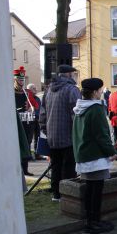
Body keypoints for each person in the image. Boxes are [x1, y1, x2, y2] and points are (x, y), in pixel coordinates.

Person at [72, 78, 116, 234]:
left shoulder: (80, 108)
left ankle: (93, 220)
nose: (101, 92)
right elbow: (101, 134)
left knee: (91, 190)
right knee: (96, 191)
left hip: (84, 153)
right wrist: (111, 151)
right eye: (100, 90)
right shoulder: (95, 109)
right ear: (95, 92)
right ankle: (93, 222)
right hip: (95, 155)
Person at [39, 64, 81, 201]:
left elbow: (42, 115)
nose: (74, 76)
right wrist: (78, 134)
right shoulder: (72, 90)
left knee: (55, 167)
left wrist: (46, 131)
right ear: (68, 75)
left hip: (52, 137)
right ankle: (68, 195)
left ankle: (56, 194)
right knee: (68, 167)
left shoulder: (48, 90)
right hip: (68, 136)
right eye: (73, 73)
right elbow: (76, 115)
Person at [14, 67, 39, 175]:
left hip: (26, 122)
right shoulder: (10, 91)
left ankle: (25, 169)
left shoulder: (27, 92)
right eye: (19, 80)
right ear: (15, 80)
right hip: (15, 122)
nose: (21, 82)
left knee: (27, 144)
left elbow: (36, 105)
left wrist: (31, 108)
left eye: (22, 80)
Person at [26, 83, 44, 160]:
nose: (36, 90)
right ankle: (28, 155)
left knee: (37, 137)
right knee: (29, 138)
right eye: (34, 88)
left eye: (35, 88)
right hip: (30, 120)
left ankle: (37, 154)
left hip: (37, 120)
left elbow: (40, 109)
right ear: (29, 90)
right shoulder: (26, 98)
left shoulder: (37, 98)